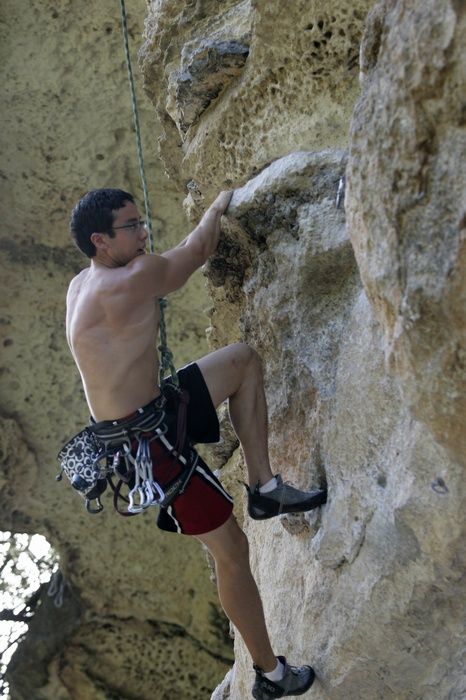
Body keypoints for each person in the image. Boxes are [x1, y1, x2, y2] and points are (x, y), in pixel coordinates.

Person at [66, 187, 327, 699]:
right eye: (132, 227)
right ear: (100, 240)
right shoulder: (131, 279)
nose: (144, 234)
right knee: (231, 551)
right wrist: (217, 204)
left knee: (242, 361)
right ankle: (270, 675)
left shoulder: (81, 283)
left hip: (153, 412)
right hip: (149, 447)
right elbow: (196, 253)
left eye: (142, 223)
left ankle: (264, 485)